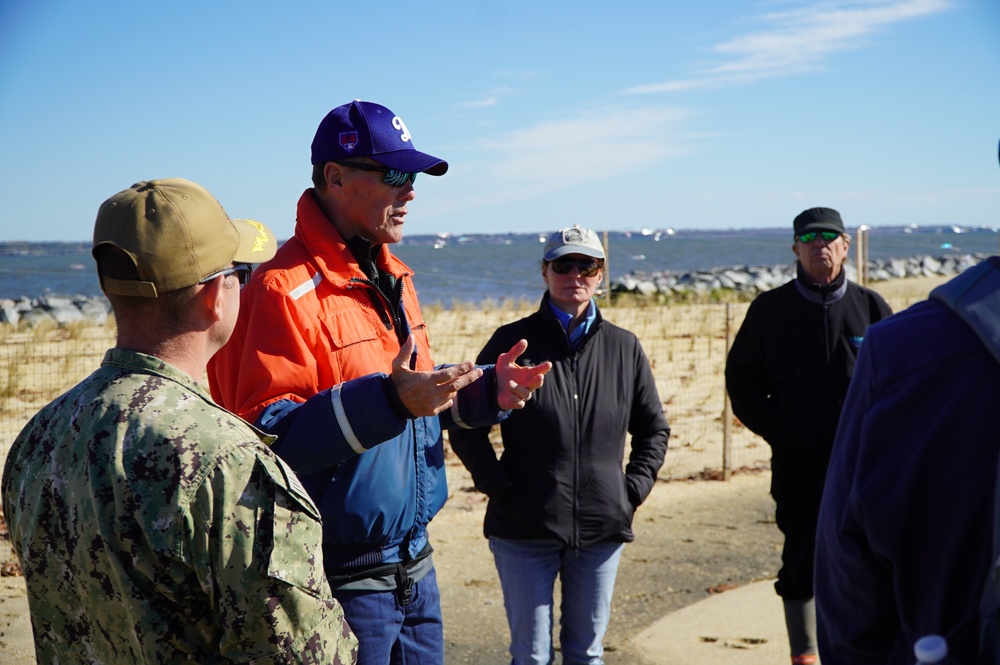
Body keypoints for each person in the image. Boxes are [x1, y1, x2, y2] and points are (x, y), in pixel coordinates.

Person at [208, 100, 550, 664]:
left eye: (412, 177)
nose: (409, 191)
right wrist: (388, 400)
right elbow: (268, 440)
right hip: (338, 579)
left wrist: (488, 391)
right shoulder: (279, 289)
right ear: (335, 177)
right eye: (394, 175)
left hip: (416, 565)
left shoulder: (396, 275)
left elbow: (418, 399)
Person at [1, 178, 359, 663]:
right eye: (242, 273)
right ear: (215, 295)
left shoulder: (38, 437)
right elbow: (302, 655)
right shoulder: (228, 462)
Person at [448, 225, 670, 665]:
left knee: (586, 653)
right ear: (545, 272)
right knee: (530, 656)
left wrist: (629, 492)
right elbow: (465, 421)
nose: (576, 274)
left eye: (587, 265)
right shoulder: (513, 342)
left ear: (602, 274)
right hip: (524, 527)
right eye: (563, 264)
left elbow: (653, 430)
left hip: (602, 528)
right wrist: (499, 486)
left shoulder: (624, 347)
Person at [724, 207, 892, 665]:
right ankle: (805, 654)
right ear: (795, 248)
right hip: (799, 469)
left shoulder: (872, 308)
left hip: (865, 468)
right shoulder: (769, 311)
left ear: (845, 246)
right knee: (802, 562)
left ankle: (864, 647)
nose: (820, 245)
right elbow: (742, 384)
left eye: (829, 237)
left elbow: (897, 385)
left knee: (870, 560)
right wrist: (785, 433)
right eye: (810, 238)